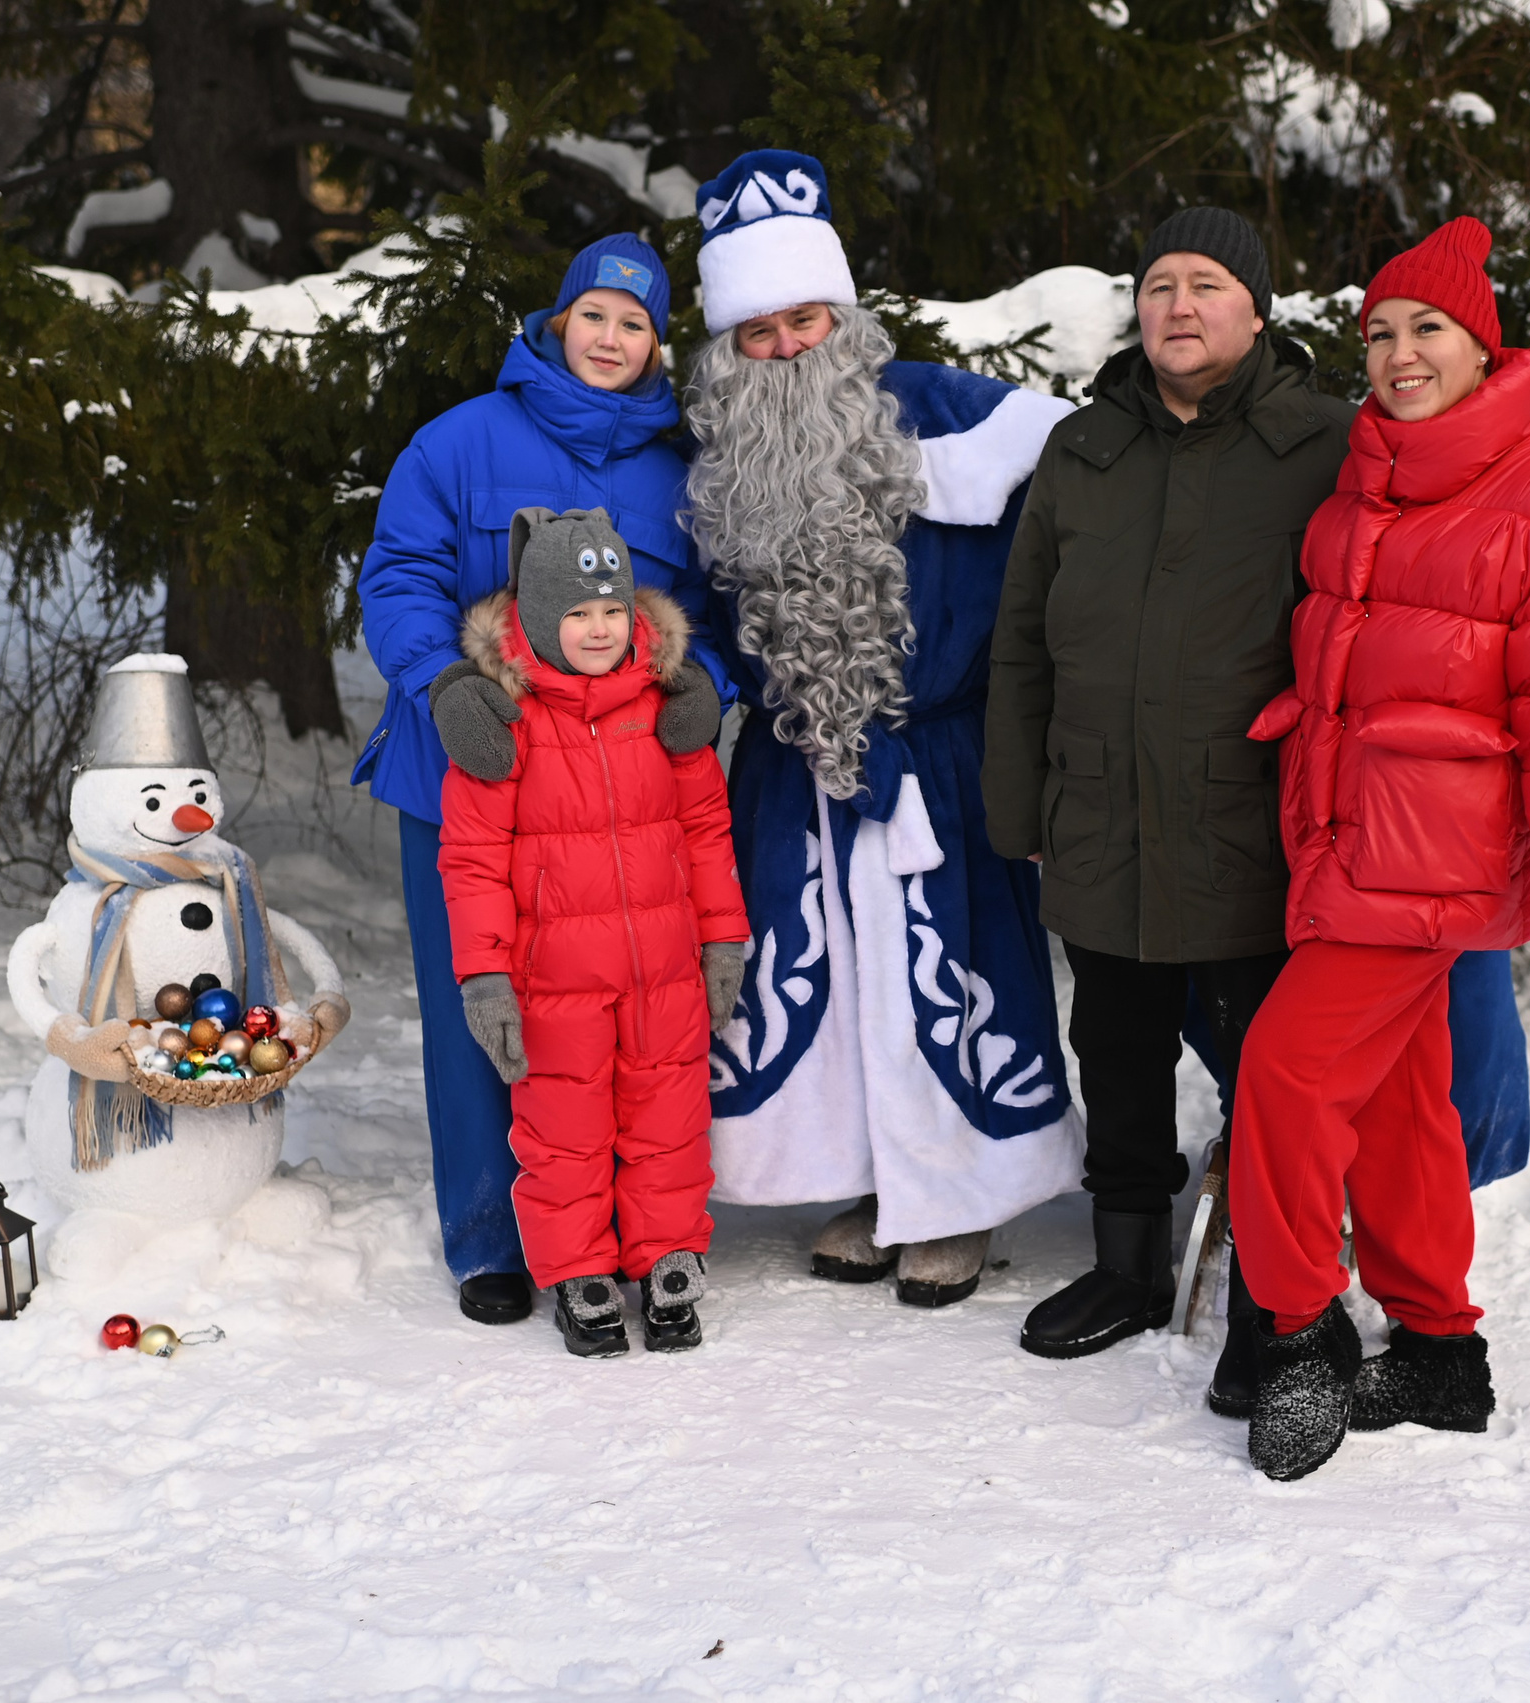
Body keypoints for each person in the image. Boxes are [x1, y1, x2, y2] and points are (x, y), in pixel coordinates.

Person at [1231, 216, 1530, 1482]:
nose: (1397, 353)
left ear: (1484, 346)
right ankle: (1435, 1348)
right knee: (1395, 1104)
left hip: (1440, 856)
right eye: (1377, 332)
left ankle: (1299, 1333)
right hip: (1348, 837)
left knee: (1286, 1074)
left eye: (1426, 329)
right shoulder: (1369, 479)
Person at [683, 149, 1085, 1305]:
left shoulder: (953, 413)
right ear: (728, 347)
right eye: (756, 333)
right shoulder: (722, 465)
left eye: (805, 319)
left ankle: (957, 1203)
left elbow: (1089, 507)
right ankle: (874, 1185)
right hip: (792, 765)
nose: (786, 349)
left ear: (841, 315)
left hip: (939, 757)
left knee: (945, 969)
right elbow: (697, 615)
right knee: (832, 980)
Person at [982, 209, 1349, 1374]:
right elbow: (1024, 643)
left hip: (1254, 814)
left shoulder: (1329, 445)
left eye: (1204, 284)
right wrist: (1019, 801)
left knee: (1267, 1071)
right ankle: (1128, 1263)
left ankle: (1271, 1298)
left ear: (1255, 308)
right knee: (1117, 1046)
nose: (1176, 306)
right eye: (1156, 287)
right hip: (1099, 809)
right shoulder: (1083, 450)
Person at [355, 236, 726, 1328]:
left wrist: (711, 679)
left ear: (661, 342)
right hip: (468, 773)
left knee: (625, 1029)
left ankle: (620, 1238)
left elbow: (725, 602)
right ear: (557, 320)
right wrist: (437, 681)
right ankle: (490, 1240)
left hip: (618, 800)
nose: (612, 338)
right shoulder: (459, 441)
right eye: (594, 315)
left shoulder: (683, 467)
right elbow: (400, 573)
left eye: (636, 323)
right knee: (487, 1009)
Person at [436, 507, 749, 1357]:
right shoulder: (505, 721)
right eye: (577, 613)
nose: (600, 628)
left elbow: (706, 834)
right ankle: (579, 1269)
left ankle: (669, 1259)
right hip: (553, 979)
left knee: (669, 1122)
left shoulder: (669, 709)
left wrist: (723, 939)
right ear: (538, 619)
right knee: (564, 1134)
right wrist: (484, 975)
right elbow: (471, 861)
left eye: (612, 609)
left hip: (664, 970)